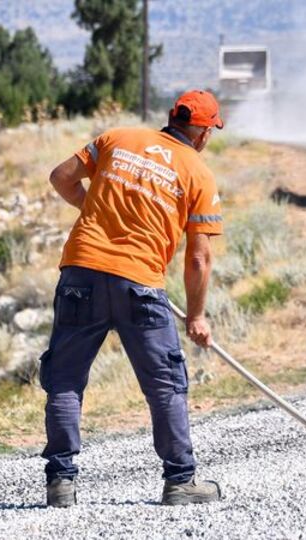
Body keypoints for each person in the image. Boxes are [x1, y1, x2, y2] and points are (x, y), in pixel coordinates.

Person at [40, 90, 225, 507]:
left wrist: (94, 212)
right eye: (210, 130)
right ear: (201, 131)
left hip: (80, 273)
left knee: (65, 379)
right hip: (140, 284)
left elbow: (60, 178)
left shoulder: (116, 138)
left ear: (171, 117)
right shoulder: (197, 172)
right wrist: (196, 316)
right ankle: (180, 481)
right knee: (165, 384)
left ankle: (60, 484)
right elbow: (199, 257)